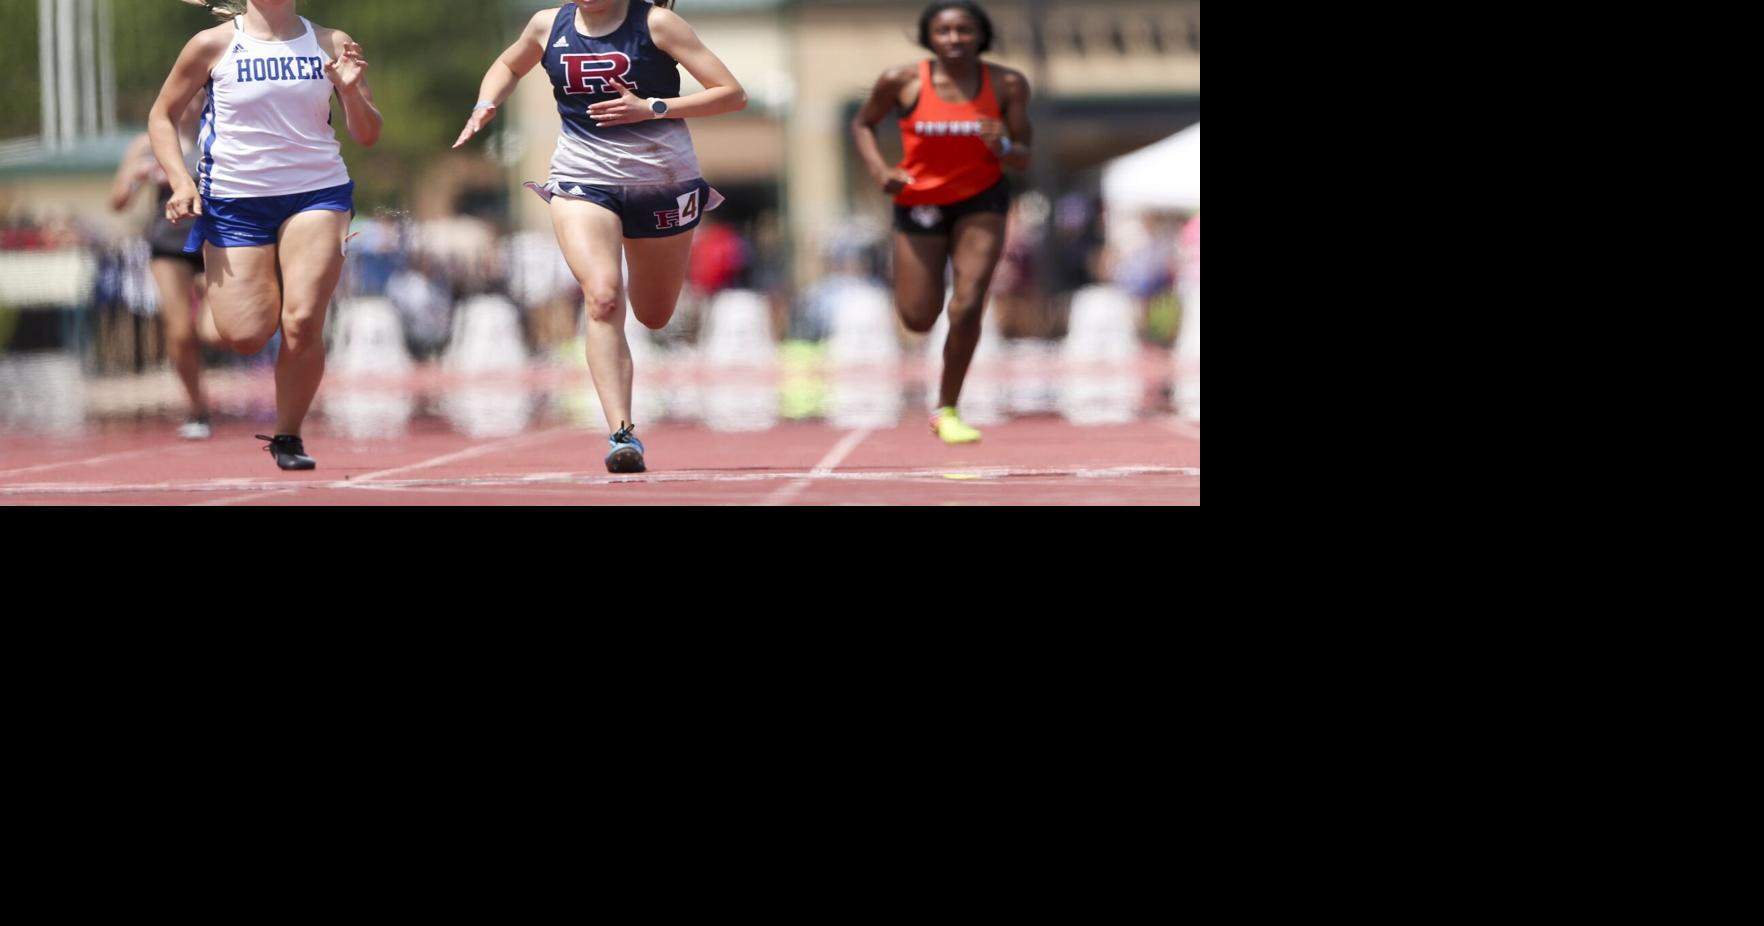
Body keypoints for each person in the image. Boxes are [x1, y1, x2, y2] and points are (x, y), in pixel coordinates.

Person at [455, 0, 746, 473]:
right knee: (603, 297)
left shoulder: (657, 24)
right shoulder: (547, 24)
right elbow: (508, 64)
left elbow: (732, 95)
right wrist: (486, 102)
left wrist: (652, 108)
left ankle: (624, 417)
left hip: (661, 182)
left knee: (654, 315)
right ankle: (621, 434)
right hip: (582, 179)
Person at [150, 0, 382, 470]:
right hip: (236, 200)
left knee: (302, 319)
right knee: (246, 335)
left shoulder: (331, 42)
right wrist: (180, 181)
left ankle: (288, 435)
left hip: (316, 192)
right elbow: (162, 116)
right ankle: (249, 286)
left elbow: (368, 133)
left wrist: (350, 91)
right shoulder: (212, 45)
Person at [851, 0, 1031, 444]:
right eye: (944, 31)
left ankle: (946, 408)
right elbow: (863, 124)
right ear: (929, 37)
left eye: (964, 30)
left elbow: (1024, 156)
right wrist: (881, 171)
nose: (954, 39)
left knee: (968, 304)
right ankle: (940, 397)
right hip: (920, 202)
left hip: (981, 201)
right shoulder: (902, 80)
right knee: (918, 318)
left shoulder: (1007, 84)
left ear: (981, 35)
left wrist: (1003, 145)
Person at [110, 91, 215, 440]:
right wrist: (138, 176)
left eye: (197, 96)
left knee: (217, 330)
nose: (189, 103)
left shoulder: (218, 132)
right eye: (184, 96)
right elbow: (117, 202)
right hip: (168, 244)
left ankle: (212, 328)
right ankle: (197, 407)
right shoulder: (145, 143)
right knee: (180, 332)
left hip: (214, 242)